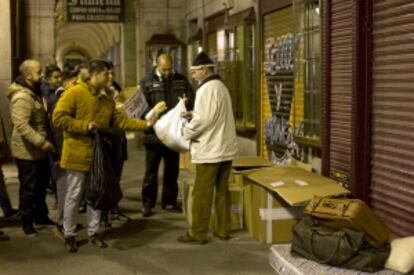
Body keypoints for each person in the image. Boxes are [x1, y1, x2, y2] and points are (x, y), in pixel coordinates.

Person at [53, 59, 153, 253]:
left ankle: (93, 231)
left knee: (97, 193)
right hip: (76, 153)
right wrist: (84, 126)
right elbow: (58, 117)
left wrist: (147, 125)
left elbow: (122, 122)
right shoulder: (74, 92)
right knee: (74, 195)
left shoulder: (106, 99)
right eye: (106, 74)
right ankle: (69, 234)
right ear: (95, 75)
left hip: (99, 156)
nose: (110, 77)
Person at [178, 52, 238, 245]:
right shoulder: (221, 87)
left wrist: (186, 130)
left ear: (204, 69)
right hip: (224, 149)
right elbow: (212, 114)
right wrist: (194, 113)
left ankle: (198, 233)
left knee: (202, 193)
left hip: (210, 151)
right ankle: (222, 230)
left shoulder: (206, 89)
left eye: (195, 72)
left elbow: (204, 120)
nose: (193, 76)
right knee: (222, 192)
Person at [140, 53, 194, 217]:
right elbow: (141, 106)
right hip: (154, 134)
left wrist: (187, 102)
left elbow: (191, 97)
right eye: (164, 69)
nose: (167, 72)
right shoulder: (147, 82)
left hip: (173, 135)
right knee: (151, 171)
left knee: (171, 170)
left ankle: (169, 202)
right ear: (157, 65)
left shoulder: (181, 80)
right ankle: (148, 203)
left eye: (170, 69)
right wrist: (150, 116)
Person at [7, 59, 56, 237]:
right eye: (38, 72)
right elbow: (21, 125)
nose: (42, 75)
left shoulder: (34, 91)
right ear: (28, 75)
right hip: (27, 151)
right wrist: (42, 142)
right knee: (28, 188)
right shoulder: (22, 97)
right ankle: (27, 224)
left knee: (41, 185)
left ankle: (41, 216)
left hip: (38, 151)